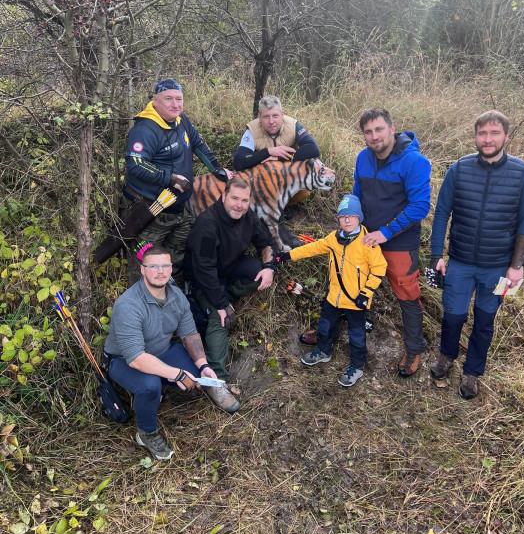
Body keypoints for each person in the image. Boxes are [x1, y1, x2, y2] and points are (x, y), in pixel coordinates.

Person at [428, 110, 524, 400]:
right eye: (482, 133)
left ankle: (472, 372)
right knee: (453, 317)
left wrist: (517, 266)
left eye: (494, 133)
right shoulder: (459, 169)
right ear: (475, 136)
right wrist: (436, 254)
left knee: (484, 321)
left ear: (506, 136)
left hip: (497, 267)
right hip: (460, 262)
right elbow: (441, 214)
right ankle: (446, 357)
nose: (487, 139)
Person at [103, 245, 227, 461]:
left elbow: (189, 333)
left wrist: (203, 366)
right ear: (143, 270)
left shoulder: (176, 295)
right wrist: (176, 374)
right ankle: (147, 432)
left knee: (195, 377)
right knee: (150, 386)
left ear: (171, 268)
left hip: (162, 351)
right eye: (153, 266)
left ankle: (208, 385)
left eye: (165, 266)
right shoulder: (128, 305)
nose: (160, 271)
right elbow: (136, 358)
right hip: (124, 360)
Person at [123, 77, 232, 285]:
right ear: (155, 101)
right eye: (168, 99)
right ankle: (141, 301)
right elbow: (135, 164)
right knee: (145, 263)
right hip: (150, 211)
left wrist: (217, 168)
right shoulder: (145, 129)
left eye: (179, 99)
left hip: (179, 209)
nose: (175, 104)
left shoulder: (181, 120)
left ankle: (170, 292)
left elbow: (198, 144)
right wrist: (169, 178)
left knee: (175, 258)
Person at [183, 177, 277, 407]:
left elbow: (266, 242)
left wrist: (269, 267)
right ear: (224, 196)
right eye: (234, 198)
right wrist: (221, 303)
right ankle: (216, 381)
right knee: (220, 318)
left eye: (244, 200)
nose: (239, 205)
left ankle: (229, 294)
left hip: (229, 269)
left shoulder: (248, 216)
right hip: (202, 281)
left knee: (258, 272)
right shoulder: (207, 224)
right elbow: (204, 270)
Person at [353, 108, 431, 377]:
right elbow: (357, 195)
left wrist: (386, 232)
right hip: (366, 236)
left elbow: (420, 206)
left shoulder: (413, 162)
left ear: (391, 128)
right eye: (368, 132)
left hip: (398, 241)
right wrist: (350, 222)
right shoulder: (363, 158)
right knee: (350, 281)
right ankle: (337, 328)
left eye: (379, 129)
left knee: (406, 293)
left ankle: (414, 348)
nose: (374, 136)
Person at [278, 195, 387, 387]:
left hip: (356, 301)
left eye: (351, 216)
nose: (346, 220)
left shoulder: (368, 242)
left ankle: (357, 366)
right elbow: (312, 248)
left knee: (356, 335)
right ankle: (323, 351)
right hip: (333, 297)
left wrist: (366, 293)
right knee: (325, 326)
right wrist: (287, 255)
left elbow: (379, 269)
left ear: (358, 218)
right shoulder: (333, 239)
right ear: (338, 219)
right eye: (342, 216)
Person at [233, 95, 320, 175]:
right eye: (266, 117)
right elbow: (239, 162)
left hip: (290, 175)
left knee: (304, 192)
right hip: (263, 177)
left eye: (275, 116)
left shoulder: (293, 125)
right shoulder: (252, 130)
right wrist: (269, 151)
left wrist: (283, 157)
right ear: (259, 117)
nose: (271, 121)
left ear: (282, 114)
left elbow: (313, 149)